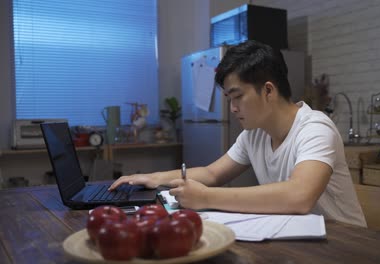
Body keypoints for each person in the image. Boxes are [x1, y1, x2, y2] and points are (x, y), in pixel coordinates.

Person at [110, 40, 366, 227]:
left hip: (346, 245)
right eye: (228, 99)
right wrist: (151, 177)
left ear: (268, 91)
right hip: (297, 241)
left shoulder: (315, 128)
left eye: (238, 97)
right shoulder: (254, 134)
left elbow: (299, 196)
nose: (232, 108)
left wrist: (206, 197)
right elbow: (212, 173)